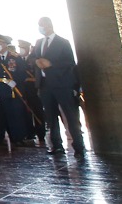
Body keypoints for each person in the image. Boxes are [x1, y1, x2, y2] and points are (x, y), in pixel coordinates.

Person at [33, 17, 85, 156]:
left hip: (62, 84)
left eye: (42, 25)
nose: (40, 27)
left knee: (70, 115)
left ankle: (78, 146)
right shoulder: (39, 43)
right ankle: (57, 146)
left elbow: (70, 63)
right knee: (51, 117)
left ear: (49, 25)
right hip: (45, 85)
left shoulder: (62, 42)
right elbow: (33, 58)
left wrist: (51, 64)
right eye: (39, 25)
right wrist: (36, 62)